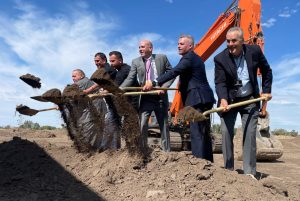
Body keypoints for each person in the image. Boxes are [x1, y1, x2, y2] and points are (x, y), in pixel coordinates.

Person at [146, 34, 215, 162]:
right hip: (203, 97)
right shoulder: (194, 58)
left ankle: (199, 163)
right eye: (178, 44)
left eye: (182, 44)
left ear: (190, 46)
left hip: (196, 98)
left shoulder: (188, 58)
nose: (178, 46)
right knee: (203, 132)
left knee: (196, 132)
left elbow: (174, 72)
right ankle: (208, 162)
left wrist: (154, 82)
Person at [214, 27, 272, 177]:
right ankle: (228, 171)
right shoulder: (220, 59)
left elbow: (267, 71)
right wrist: (223, 99)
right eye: (228, 41)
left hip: (250, 99)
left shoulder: (254, 51)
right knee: (226, 133)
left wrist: (265, 90)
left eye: (234, 41)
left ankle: (249, 173)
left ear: (242, 41)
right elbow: (220, 83)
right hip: (230, 101)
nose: (230, 44)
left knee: (249, 134)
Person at [120, 39, 174, 152]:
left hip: (160, 97)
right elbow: (130, 78)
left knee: (163, 124)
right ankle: (143, 150)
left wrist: (164, 87)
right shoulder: (136, 61)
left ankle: (166, 152)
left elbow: (171, 74)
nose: (140, 49)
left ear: (150, 48)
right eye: (139, 47)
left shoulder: (162, 58)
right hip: (145, 97)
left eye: (143, 47)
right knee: (143, 123)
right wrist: (119, 89)